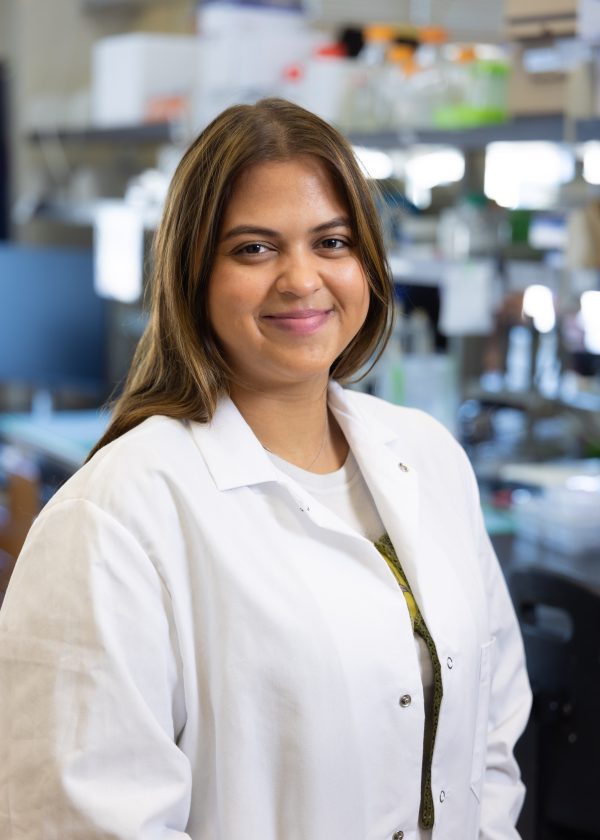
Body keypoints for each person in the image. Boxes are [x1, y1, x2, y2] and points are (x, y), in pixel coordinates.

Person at [0, 98, 531, 840]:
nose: (301, 278)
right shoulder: (116, 515)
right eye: (254, 248)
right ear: (194, 274)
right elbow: (83, 820)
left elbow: (491, 733)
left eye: (332, 242)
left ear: (367, 263)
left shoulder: (429, 455)